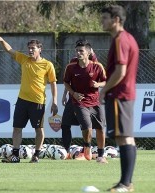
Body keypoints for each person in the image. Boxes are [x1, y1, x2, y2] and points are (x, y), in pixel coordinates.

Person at [0, 33, 58, 163]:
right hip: (22, 101)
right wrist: (2, 40)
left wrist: (54, 101)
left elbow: (53, 83)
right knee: (17, 128)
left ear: (40, 49)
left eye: (33, 48)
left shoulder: (47, 65)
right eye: (29, 48)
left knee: (39, 129)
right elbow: (10, 50)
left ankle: (36, 155)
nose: (30, 50)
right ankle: (15, 155)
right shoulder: (24, 59)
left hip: (38, 102)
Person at [100, 5, 139, 192]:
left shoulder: (120, 39)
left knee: (124, 138)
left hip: (119, 94)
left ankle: (125, 183)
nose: (102, 21)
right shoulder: (129, 38)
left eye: (105, 18)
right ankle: (126, 183)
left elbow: (120, 71)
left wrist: (104, 89)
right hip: (126, 94)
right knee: (126, 137)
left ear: (116, 20)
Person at [63, 40, 107, 163]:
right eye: (77, 50)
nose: (78, 53)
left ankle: (100, 155)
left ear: (88, 53)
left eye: (81, 51)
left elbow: (105, 81)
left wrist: (98, 84)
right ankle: (86, 150)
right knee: (87, 127)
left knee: (100, 128)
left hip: (96, 102)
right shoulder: (71, 67)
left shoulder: (97, 66)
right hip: (79, 102)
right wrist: (73, 93)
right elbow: (66, 82)